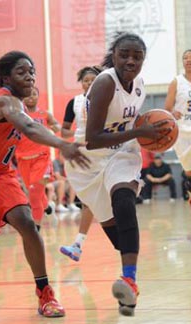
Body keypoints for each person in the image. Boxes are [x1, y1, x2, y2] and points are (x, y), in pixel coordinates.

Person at [64, 33, 170, 316]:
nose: (131, 61)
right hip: (88, 161)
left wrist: (151, 133)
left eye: (137, 56)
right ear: (114, 55)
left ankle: (129, 281)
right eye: (124, 54)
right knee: (120, 242)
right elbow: (93, 139)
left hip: (122, 153)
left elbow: (133, 122)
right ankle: (128, 276)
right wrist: (140, 131)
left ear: (144, 60)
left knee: (124, 201)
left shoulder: (140, 85)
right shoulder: (104, 83)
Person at [0, 51, 90, 318]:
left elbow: (35, 127)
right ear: (5, 78)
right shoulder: (3, 101)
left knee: (26, 221)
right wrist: (63, 145)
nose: (30, 76)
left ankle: (45, 293)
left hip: (0, 173)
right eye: (22, 71)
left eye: (32, 71)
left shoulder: (20, 105)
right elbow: (29, 128)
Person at [60, 66, 103, 261]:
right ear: (81, 82)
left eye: (93, 80)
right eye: (86, 80)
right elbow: (64, 132)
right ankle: (78, 243)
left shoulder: (106, 100)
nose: (89, 83)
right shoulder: (74, 103)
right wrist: (78, 133)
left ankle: (79, 243)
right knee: (88, 199)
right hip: (82, 154)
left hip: (103, 151)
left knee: (105, 197)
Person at [15, 86, 61, 230]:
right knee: (34, 191)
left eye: (34, 94)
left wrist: (55, 127)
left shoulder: (45, 114)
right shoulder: (18, 115)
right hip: (23, 159)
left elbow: (57, 126)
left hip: (41, 158)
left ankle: (36, 229)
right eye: (27, 94)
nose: (30, 96)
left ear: (37, 96)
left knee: (34, 195)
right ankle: (48, 208)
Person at [165, 49, 191, 199]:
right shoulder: (176, 81)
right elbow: (167, 108)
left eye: (190, 57)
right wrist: (173, 112)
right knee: (189, 172)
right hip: (182, 133)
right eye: (185, 58)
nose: (188, 60)